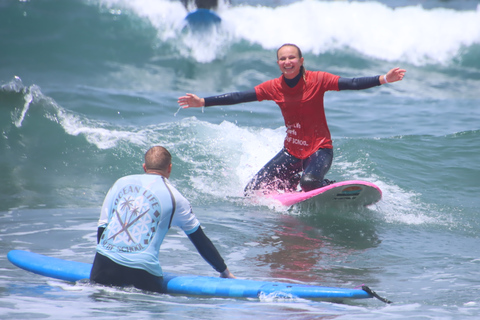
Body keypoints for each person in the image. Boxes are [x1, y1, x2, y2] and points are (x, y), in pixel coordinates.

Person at [178, 43, 406, 195]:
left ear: (301, 60)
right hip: (292, 152)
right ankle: (296, 181)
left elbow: (352, 83)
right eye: (282, 59)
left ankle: (330, 187)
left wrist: (384, 78)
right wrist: (203, 102)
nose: (287, 61)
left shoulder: (318, 80)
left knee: (308, 184)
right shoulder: (273, 87)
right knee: (253, 190)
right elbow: (239, 96)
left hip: (319, 150)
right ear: (278, 63)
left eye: (292, 58)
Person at [90, 146, 235, 293]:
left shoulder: (119, 183)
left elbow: (103, 228)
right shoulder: (175, 197)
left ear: (144, 166)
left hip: (102, 267)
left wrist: (106, 262)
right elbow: (200, 240)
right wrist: (224, 272)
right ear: (170, 168)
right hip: (142, 275)